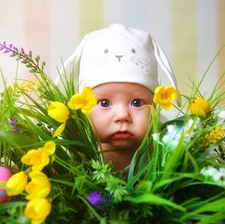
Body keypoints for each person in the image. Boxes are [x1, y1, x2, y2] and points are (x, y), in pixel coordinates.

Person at [56, 23, 181, 170]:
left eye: (137, 103)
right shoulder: (74, 150)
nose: (122, 115)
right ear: (82, 107)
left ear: (155, 105)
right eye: (104, 103)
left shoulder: (167, 143)